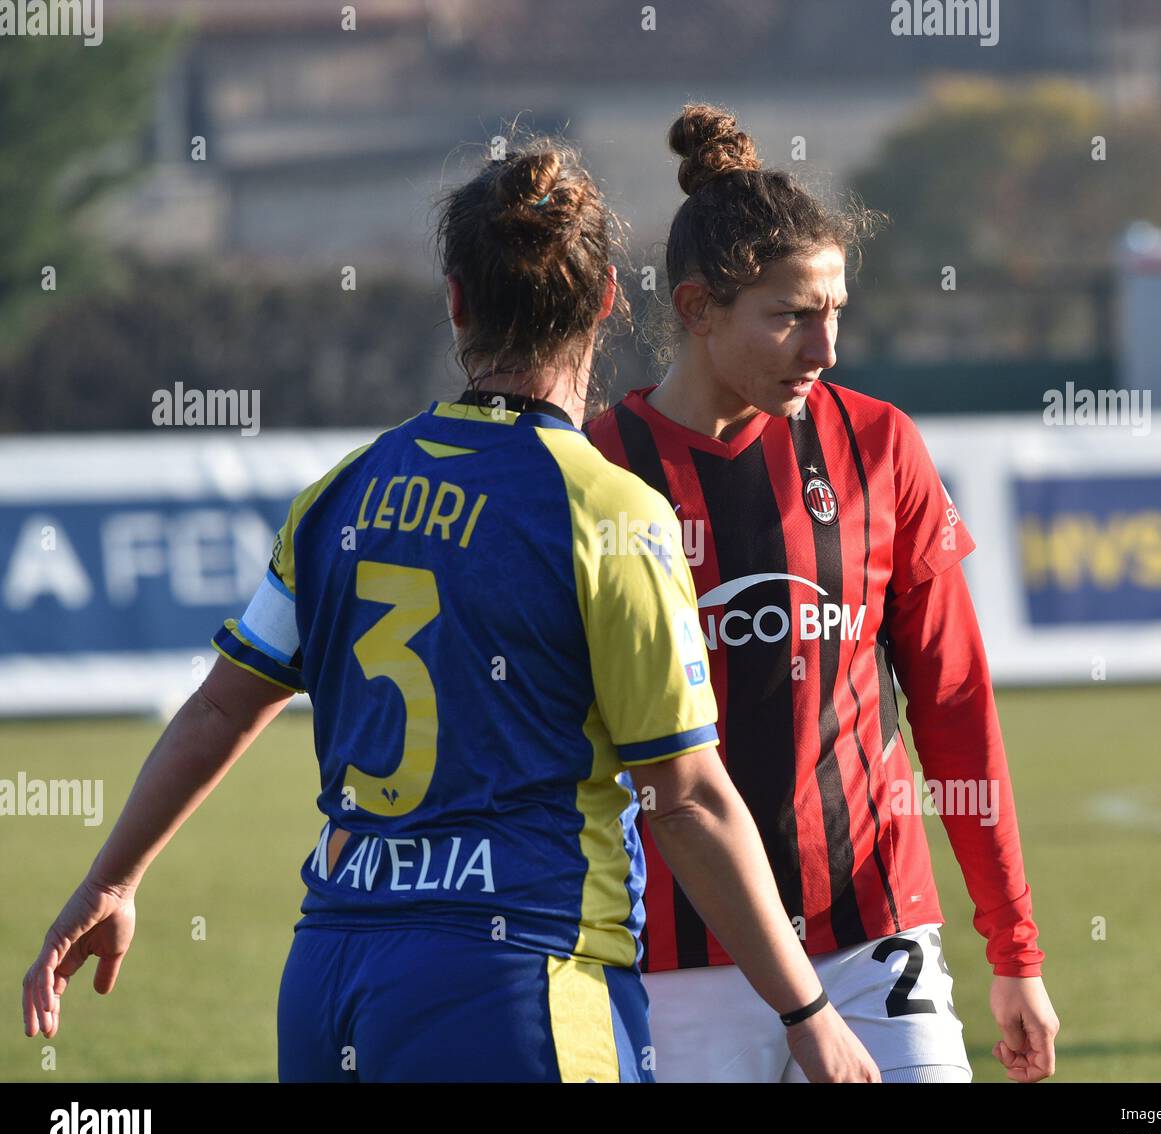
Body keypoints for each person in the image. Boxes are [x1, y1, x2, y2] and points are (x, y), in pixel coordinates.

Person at [21, 136, 878, 1083]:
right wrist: (807, 1011)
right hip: (517, 980)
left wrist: (114, 878)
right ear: (606, 301)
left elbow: (223, 704)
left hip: (332, 976)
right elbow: (684, 797)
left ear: (456, 299)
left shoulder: (339, 496)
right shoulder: (612, 513)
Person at [585, 104, 1060, 1083]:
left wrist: (1014, 949)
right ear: (694, 307)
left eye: (835, 310)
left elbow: (955, 701)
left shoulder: (881, 445)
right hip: (673, 959)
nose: (823, 346)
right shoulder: (599, 468)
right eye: (790, 315)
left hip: (872, 936)